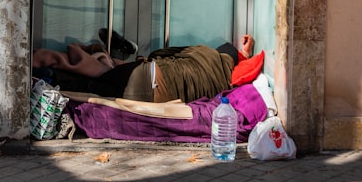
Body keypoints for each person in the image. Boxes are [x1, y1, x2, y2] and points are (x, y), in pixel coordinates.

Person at [33, 35, 254, 105]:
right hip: (155, 96)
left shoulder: (203, 53)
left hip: (146, 74)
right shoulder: (223, 84)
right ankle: (52, 82)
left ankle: (48, 72)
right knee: (94, 89)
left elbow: (160, 54)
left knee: (99, 75)